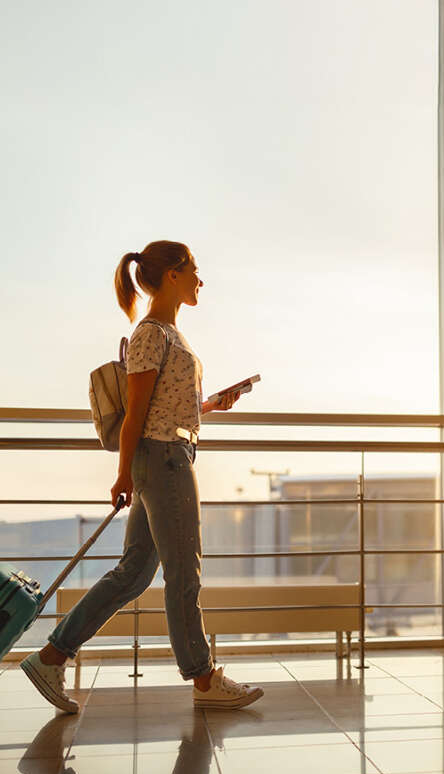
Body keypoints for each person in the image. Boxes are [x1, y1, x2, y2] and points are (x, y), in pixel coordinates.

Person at [20, 240, 264, 713]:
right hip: (164, 461)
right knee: (183, 572)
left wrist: (210, 404)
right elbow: (134, 415)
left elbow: (163, 406)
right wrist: (123, 474)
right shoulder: (152, 332)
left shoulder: (170, 333)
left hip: (169, 454)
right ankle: (204, 677)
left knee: (133, 573)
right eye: (195, 269)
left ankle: (50, 657)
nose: (200, 279)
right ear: (173, 273)